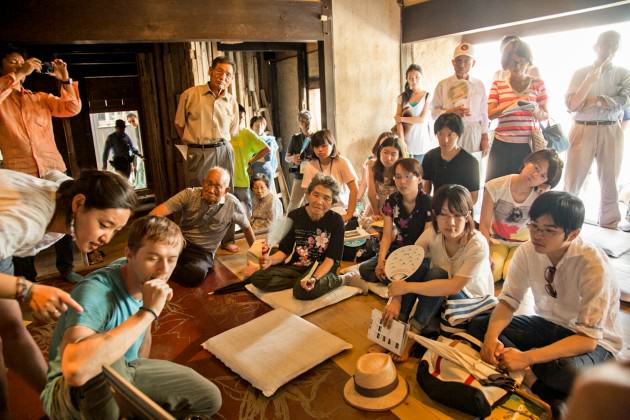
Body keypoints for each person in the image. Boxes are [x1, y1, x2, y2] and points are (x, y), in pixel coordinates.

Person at [40, 216, 222, 419]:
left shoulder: (143, 279)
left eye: (171, 259)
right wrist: (148, 312)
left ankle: (128, 405)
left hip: (124, 371)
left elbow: (139, 352)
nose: (164, 270)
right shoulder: (95, 291)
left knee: (210, 399)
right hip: (69, 391)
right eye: (153, 258)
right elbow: (76, 370)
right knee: (101, 357)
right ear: (129, 254)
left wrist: (147, 314)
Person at [0, 169, 136, 417]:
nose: (107, 237)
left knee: (12, 327)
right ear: (79, 203)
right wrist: (26, 288)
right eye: (104, 225)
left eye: (115, 230)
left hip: (2, 247)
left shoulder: (67, 190)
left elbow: (53, 173)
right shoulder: (27, 222)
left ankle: (56, 406)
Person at [468, 191, 622, 412]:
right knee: (480, 326)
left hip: (596, 342)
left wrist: (527, 356)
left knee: (567, 372)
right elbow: (508, 302)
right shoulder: (527, 251)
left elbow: (587, 340)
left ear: (573, 233)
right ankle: (536, 382)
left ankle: (529, 374)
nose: (537, 235)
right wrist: (491, 338)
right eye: (534, 226)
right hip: (550, 325)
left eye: (549, 230)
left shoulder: (592, 265)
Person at [0, 44, 82, 283]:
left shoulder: (40, 99)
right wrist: (20, 73)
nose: (18, 65)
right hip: (21, 172)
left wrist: (65, 80)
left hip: (52, 167)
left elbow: (71, 108)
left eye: (20, 61)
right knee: (23, 221)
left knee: (66, 213)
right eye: (12, 62)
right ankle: (27, 278)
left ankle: (66, 269)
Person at [384, 185, 493, 362]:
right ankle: (396, 325)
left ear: (468, 216)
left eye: (457, 215)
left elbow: (453, 286)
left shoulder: (477, 243)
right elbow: (407, 263)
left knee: (437, 274)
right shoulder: (433, 233)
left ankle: (412, 335)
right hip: (439, 296)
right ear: (436, 215)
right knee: (420, 264)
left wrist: (405, 287)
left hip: (468, 301)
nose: (451, 223)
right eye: (444, 215)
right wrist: (396, 297)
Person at [250, 175, 367, 299]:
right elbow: (284, 251)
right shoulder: (294, 216)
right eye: (316, 195)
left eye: (326, 198)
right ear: (308, 195)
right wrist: (270, 260)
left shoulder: (336, 221)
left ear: (332, 202)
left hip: (323, 267)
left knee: (302, 292)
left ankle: (343, 279)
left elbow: (331, 259)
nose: (319, 201)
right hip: (299, 266)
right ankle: (301, 281)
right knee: (258, 278)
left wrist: (314, 278)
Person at [564, 30, 630, 229]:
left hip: (611, 129)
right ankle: (566, 222)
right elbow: (572, 104)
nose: (609, 48)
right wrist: (591, 81)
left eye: (614, 44)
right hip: (582, 127)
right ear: (596, 46)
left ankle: (610, 226)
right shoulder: (581, 72)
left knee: (610, 180)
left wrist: (598, 100)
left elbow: (625, 100)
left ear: (618, 48)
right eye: (605, 43)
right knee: (573, 180)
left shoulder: (623, 73)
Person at [150, 166, 255, 287]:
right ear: (203, 182)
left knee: (196, 274)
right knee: (151, 254)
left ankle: (162, 269)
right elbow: (154, 214)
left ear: (226, 190)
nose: (211, 190)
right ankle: (166, 265)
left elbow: (247, 228)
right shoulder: (189, 194)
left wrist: (256, 256)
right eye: (209, 184)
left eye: (217, 187)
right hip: (179, 242)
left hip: (203, 252)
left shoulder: (232, 204)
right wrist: (168, 231)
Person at [479, 149, 564, 281]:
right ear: (527, 161)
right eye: (536, 167)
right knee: (492, 273)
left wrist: (546, 197)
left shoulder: (540, 195)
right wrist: (486, 253)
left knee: (511, 274)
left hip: (523, 244)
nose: (535, 175)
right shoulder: (495, 186)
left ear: (545, 182)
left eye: (542, 176)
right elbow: (483, 225)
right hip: (496, 241)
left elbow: (548, 226)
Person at [358, 158, 432, 284]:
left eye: (408, 177)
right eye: (398, 177)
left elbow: (426, 239)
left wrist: (404, 263)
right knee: (365, 269)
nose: (402, 182)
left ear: (419, 179)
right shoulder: (392, 201)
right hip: (399, 248)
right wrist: (381, 262)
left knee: (410, 274)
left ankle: (398, 280)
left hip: (420, 253)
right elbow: (387, 236)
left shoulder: (428, 203)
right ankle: (394, 278)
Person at [486, 39, 548, 181]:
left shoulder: (537, 84)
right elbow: (490, 113)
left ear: (528, 62)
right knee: (495, 185)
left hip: (527, 145)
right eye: (513, 61)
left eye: (522, 61)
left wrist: (534, 109)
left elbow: (545, 115)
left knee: (524, 186)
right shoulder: (498, 84)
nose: (517, 65)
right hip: (502, 144)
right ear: (506, 62)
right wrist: (513, 103)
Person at [174, 56, 239, 188]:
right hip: (199, 152)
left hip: (224, 152)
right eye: (219, 72)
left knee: (225, 192)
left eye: (228, 74)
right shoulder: (189, 95)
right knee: (200, 192)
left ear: (231, 79)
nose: (223, 77)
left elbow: (233, 131)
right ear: (210, 71)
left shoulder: (232, 102)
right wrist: (194, 146)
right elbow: (179, 124)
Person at [431, 42, 489, 159]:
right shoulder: (443, 85)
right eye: (458, 60)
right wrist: (450, 112)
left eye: (466, 60)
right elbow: (433, 113)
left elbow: (484, 113)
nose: (462, 64)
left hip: (473, 131)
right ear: (453, 62)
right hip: (450, 132)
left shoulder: (479, 85)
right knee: (450, 162)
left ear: (474, 63)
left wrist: (485, 137)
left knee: (472, 164)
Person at [301, 129, 359, 223]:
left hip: (342, 209)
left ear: (332, 145)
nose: (320, 150)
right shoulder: (310, 165)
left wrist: (349, 214)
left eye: (324, 146)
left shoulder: (342, 162)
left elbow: (354, 189)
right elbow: (307, 191)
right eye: (316, 146)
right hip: (320, 212)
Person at [422, 113, 480, 203]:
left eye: (450, 135)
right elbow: (426, 188)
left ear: (458, 134)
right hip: (438, 208)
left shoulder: (470, 162)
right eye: (440, 134)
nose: (444, 140)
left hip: (459, 209)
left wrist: (456, 210)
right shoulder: (430, 157)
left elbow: (473, 198)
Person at [231, 105, 269, 214]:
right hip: (227, 182)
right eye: (237, 116)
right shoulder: (224, 134)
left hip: (242, 180)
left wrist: (251, 161)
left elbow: (266, 149)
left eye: (241, 117)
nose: (239, 120)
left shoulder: (247, 133)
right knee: (229, 215)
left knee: (246, 214)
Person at [395, 64, 433, 161]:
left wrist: (402, 118)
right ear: (407, 80)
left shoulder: (427, 96)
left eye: (417, 77)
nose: (414, 80)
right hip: (407, 145)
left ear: (422, 77)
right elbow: (398, 122)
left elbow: (421, 120)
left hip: (422, 144)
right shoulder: (402, 97)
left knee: (421, 174)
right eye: (410, 78)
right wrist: (402, 141)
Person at [364, 134, 403, 219]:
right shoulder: (371, 165)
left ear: (399, 156)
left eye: (393, 154)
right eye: (385, 152)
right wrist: (376, 213)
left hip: (396, 210)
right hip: (375, 207)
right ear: (379, 152)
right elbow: (371, 193)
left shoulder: (402, 169)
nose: (389, 158)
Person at [285, 110, 314, 212]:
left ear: (311, 121)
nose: (306, 123)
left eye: (307, 120)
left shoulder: (317, 137)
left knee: (313, 204)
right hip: (300, 175)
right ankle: (288, 227)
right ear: (299, 124)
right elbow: (286, 158)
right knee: (293, 205)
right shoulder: (295, 138)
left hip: (315, 176)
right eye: (302, 121)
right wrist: (293, 158)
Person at [250, 115, 279, 193]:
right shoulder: (249, 140)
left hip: (265, 171)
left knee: (266, 195)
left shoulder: (269, 140)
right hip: (252, 172)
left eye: (261, 125)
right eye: (256, 125)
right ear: (252, 127)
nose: (259, 127)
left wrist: (252, 159)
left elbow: (267, 158)